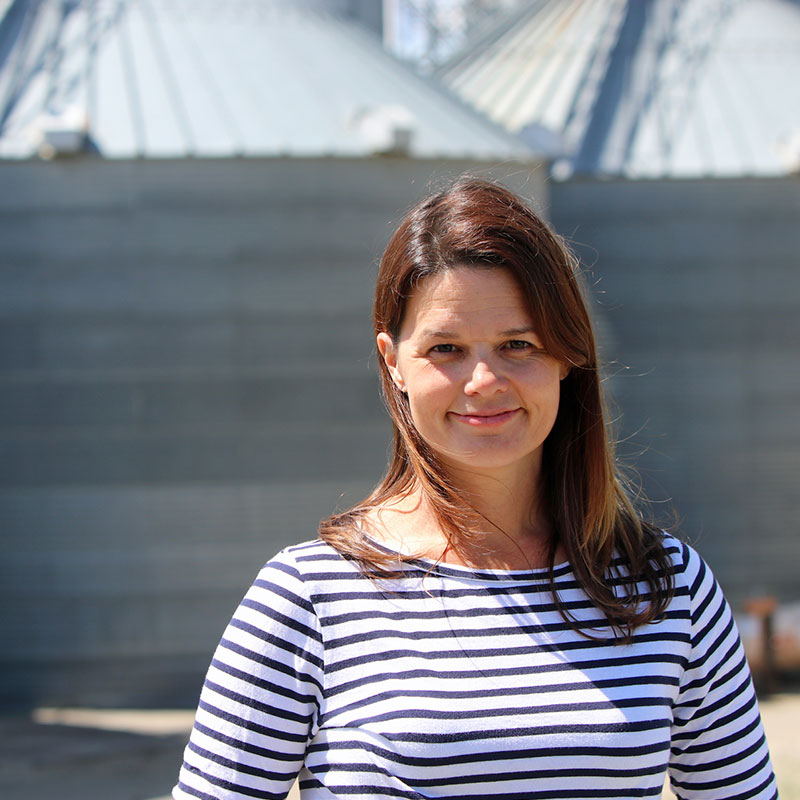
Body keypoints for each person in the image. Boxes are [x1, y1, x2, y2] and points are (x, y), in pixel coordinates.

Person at [173, 177, 777, 799]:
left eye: (519, 344)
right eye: (446, 349)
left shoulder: (668, 584)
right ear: (392, 362)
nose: (483, 380)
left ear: (567, 358)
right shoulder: (308, 597)